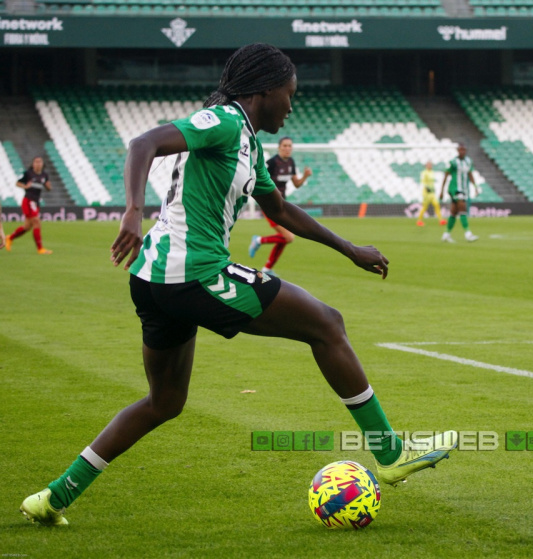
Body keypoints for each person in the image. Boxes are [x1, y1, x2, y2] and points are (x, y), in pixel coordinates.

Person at [20, 43, 456, 528]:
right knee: (327, 324)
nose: (292, 106)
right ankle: (390, 453)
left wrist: (349, 248)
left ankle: (53, 497)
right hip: (194, 272)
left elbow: (281, 211)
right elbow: (142, 142)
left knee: (164, 402)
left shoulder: (248, 142)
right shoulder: (224, 121)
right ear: (264, 91)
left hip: (154, 279)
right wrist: (131, 211)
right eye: (289, 95)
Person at [248, 135, 312, 275]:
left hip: (282, 205)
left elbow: (296, 184)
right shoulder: (272, 163)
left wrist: (305, 176)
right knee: (289, 237)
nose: (287, 148)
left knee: (285, 238)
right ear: (279, 147)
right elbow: (259, 179)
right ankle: (258, 241)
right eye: (285, 146)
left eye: (290, 146)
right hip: (268, 204)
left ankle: (267, 268)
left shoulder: (291, 163)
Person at [5, 156, 52, 254]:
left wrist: (48, 186)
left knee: (27, 227)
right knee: (37, 221)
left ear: (42, 164)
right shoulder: (28, 173)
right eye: (36, 162)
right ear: (33, 164)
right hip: (28, 200)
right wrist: (25, 186)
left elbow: (48, 187)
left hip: (36, 202)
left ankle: (9, 238)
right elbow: (17, 183)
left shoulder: (44, 175)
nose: (38, 164)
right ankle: (40, 249)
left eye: (40, 162)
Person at [439, 143, 479, 243]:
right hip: (455, 188)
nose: (462, 152)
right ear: (458, 151)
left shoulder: (469, 161)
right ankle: (468, 234)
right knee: (463, 208)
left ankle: (446, 234)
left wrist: (475, 187)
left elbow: (470, 174)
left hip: (464, 189)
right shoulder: (453, 162)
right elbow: (446, 175)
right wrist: (442, 191)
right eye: (460, 150)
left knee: (454, 212)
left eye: (464, 150)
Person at [416, 160, 445, 227]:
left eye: (431, 165)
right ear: (426, 166)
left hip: (432, 192)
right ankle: (419, 220)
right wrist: (426, 188)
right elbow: (423, 182)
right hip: (426, 192)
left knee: (436, 204)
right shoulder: (424, 173)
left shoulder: (432, 172)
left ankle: (441, 220)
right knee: (425, 207)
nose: (430, 166)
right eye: (429, 165)